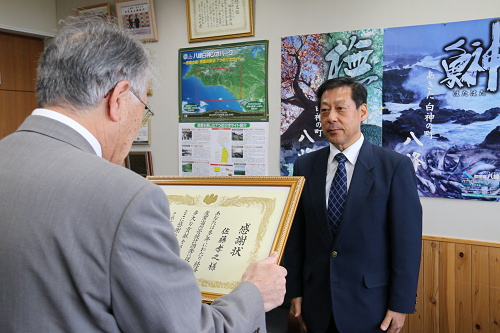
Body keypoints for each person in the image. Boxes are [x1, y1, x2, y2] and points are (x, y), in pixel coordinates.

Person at [0, 17, 286, 333]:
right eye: (143, 107)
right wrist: (255, 294)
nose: (138, 125)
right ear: (119, 98)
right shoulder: (126, 196)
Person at [284, 77, 422, 333]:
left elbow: (407, 245)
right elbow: (296, 236)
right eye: (324, 110)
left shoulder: (394, 167)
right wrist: (295, 291)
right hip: (316, 303)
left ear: (362, 112)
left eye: (340, 108)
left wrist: (400, 305)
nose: (331, 117)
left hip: (371, 307)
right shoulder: (304, 166)